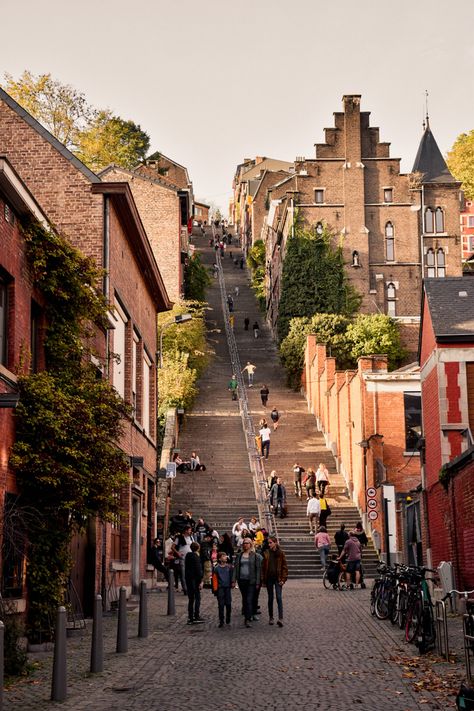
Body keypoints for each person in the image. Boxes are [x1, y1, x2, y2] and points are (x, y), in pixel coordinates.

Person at [233, 538, 262, 627]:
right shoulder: (239, 555)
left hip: (251, 581)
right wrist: (233, 580)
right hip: (242, 580)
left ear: (250, 544)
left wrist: (257, 582)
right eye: (244, 543)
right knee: (245, 599)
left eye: (247, 543)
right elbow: (236, 568)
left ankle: (247, 619)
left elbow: (258, 570)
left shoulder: (255, 556)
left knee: (249, 599)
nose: (245, 544)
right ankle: (247, 615)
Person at [261, 536, 288, 627]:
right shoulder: (266, 553)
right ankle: (271, 617)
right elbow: (263, 567)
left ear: (275, 542)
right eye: (268, 543)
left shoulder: (280, 553)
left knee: (279, 597)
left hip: (278, 578)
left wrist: (283, 579)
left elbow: (284, 567)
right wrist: (263, 580)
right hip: (269, 578)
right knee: (270, 598)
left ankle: (280, 618)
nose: (269, 544)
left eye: (271, 543)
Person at [171, 525, 195, 594]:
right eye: (189, 530)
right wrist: (178, 553)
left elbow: (194, 545)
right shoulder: (179, 538)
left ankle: (190, 587)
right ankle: (185, 589)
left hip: (190, 558)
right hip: (182, 557)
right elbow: (173, 547)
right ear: (186, 530)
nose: (190, 531)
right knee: (183, 574)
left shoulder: (191, 537)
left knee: (190, 573)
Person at [185, 542, 205, 624]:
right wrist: (200, 580)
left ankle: (190, 617)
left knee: (191, 599)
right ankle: (196, 615)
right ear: (198, 548)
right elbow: (198, 570)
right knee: (197, 598)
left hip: (189, 579)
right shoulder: (196, 557)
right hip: (195, 580)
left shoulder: (188, 556)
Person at [213, 551, 234, 627]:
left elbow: (232, 576)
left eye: (225, 556)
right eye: (223, 556)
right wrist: (215, 589)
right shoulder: (216, 568)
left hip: (227, 588)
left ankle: (228, 617)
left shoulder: (229, 567)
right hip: (220, 588)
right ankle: (221, 620)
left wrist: (232, 583)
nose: (225, 557)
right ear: (219, 558)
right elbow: (215, 579)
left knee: (228, 604)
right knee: (221, 605)